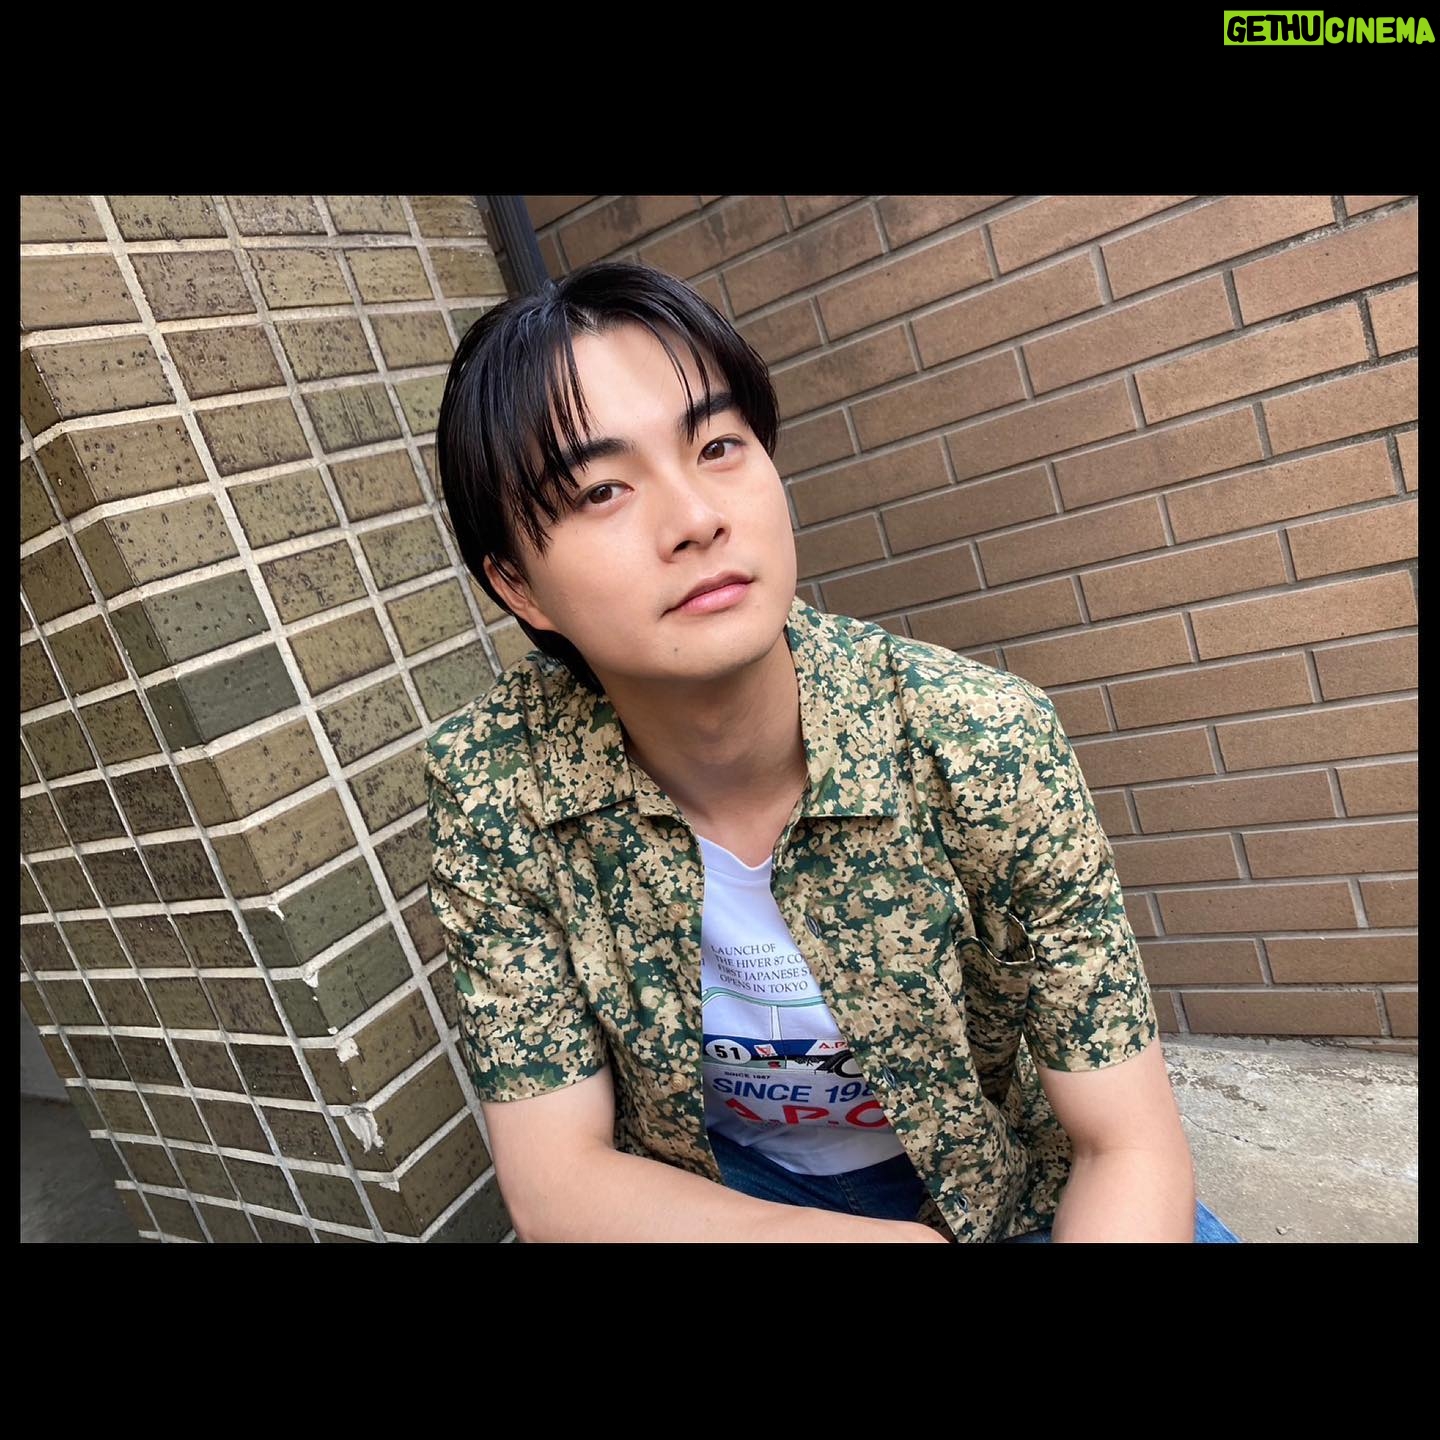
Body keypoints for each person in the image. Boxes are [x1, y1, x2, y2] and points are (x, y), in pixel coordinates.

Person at [426, 258, 1241, 1244]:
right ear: (519, 586)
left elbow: (1127, 1144)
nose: (696, 519)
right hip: (716, 1193)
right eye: (602, 489)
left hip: (1000, 1177)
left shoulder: (981, 739)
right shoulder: (496, 786)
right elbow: (557, 1182)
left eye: (717, 445)